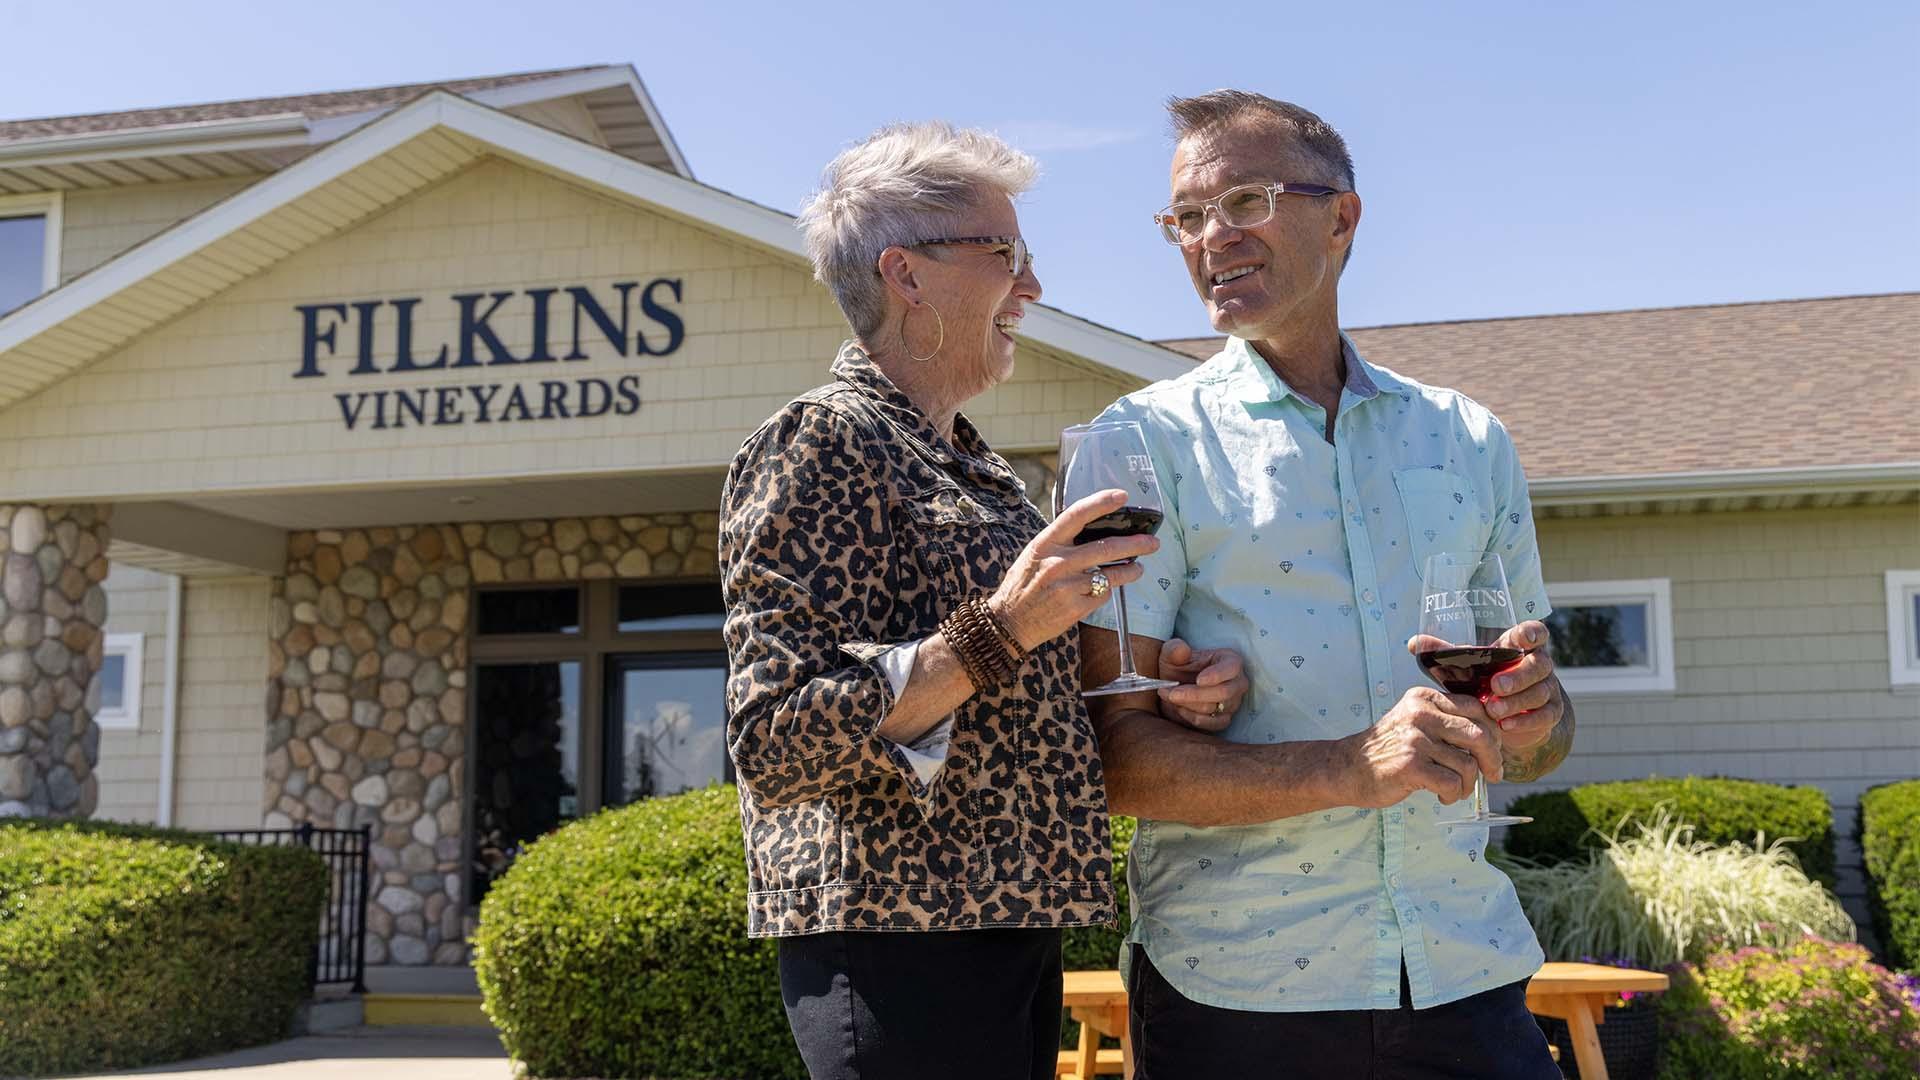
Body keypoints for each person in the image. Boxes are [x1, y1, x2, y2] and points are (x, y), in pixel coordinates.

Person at [719, 121, 1248, 1080]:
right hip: (894, 940)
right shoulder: (818, 443)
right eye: (1006, 254)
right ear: (906, 276)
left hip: (1007, 922)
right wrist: (1004, 629)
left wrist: (1148, 683)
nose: (1034, 287)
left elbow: (1003, 681)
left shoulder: (980, 470)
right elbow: (775, 739)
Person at [1079, 91, 1576, 1079]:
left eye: (1245, 201)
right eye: (1186, 217)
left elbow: (1540, 741)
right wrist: (1352, 767)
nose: (1211, 237)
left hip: (1463, 973)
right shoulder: (1132, 447)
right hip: (1238, 994)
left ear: (1342, 218)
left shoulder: (1469, 439)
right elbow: (1112, 755)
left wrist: (1537, 715)